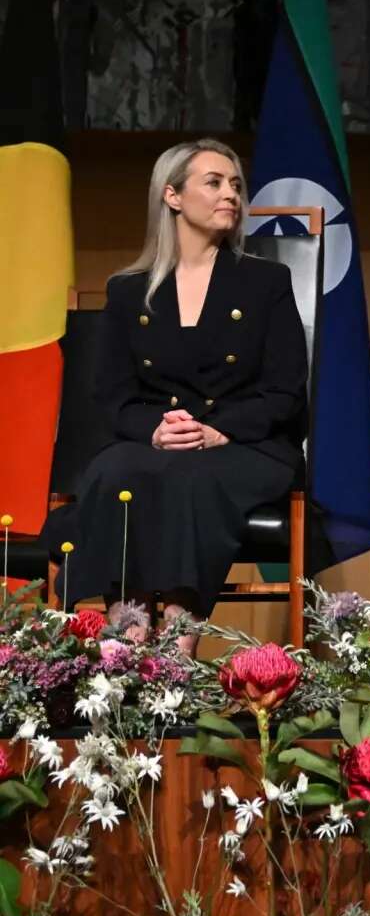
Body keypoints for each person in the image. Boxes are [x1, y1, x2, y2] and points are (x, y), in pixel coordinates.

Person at [45, 139, 306, 635]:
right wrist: (156, 430)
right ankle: (127, 629)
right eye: (214, 182)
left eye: (235, 184)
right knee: (116, 468)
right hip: (158, 441)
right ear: (172, 196)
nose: (230, 193)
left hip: (247, 442)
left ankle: (178, 645)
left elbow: (285, 389)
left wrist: (216, 431)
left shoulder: (266, 281)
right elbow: (113, 396)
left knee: (188, 478)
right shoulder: (129, 289)